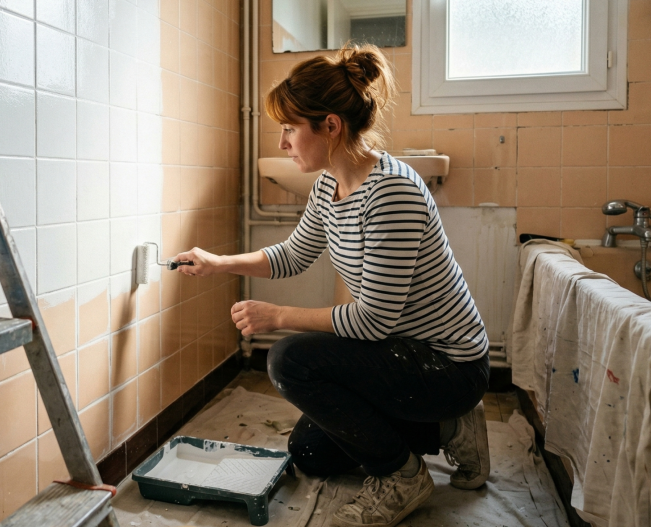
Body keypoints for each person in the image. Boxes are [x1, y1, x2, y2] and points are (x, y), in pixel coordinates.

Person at [173, 44, 490, 527]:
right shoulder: (330, 185)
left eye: (289, 128)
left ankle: (404, 477)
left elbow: (371, 320)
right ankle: (448, 427)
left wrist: (276, 317)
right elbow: (294, 255)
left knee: (288, 359)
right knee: (310, 451)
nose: (282, 143)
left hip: (447, 365)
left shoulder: (392, 192)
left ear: (330, 126)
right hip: (398, 352)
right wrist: (219, 263)